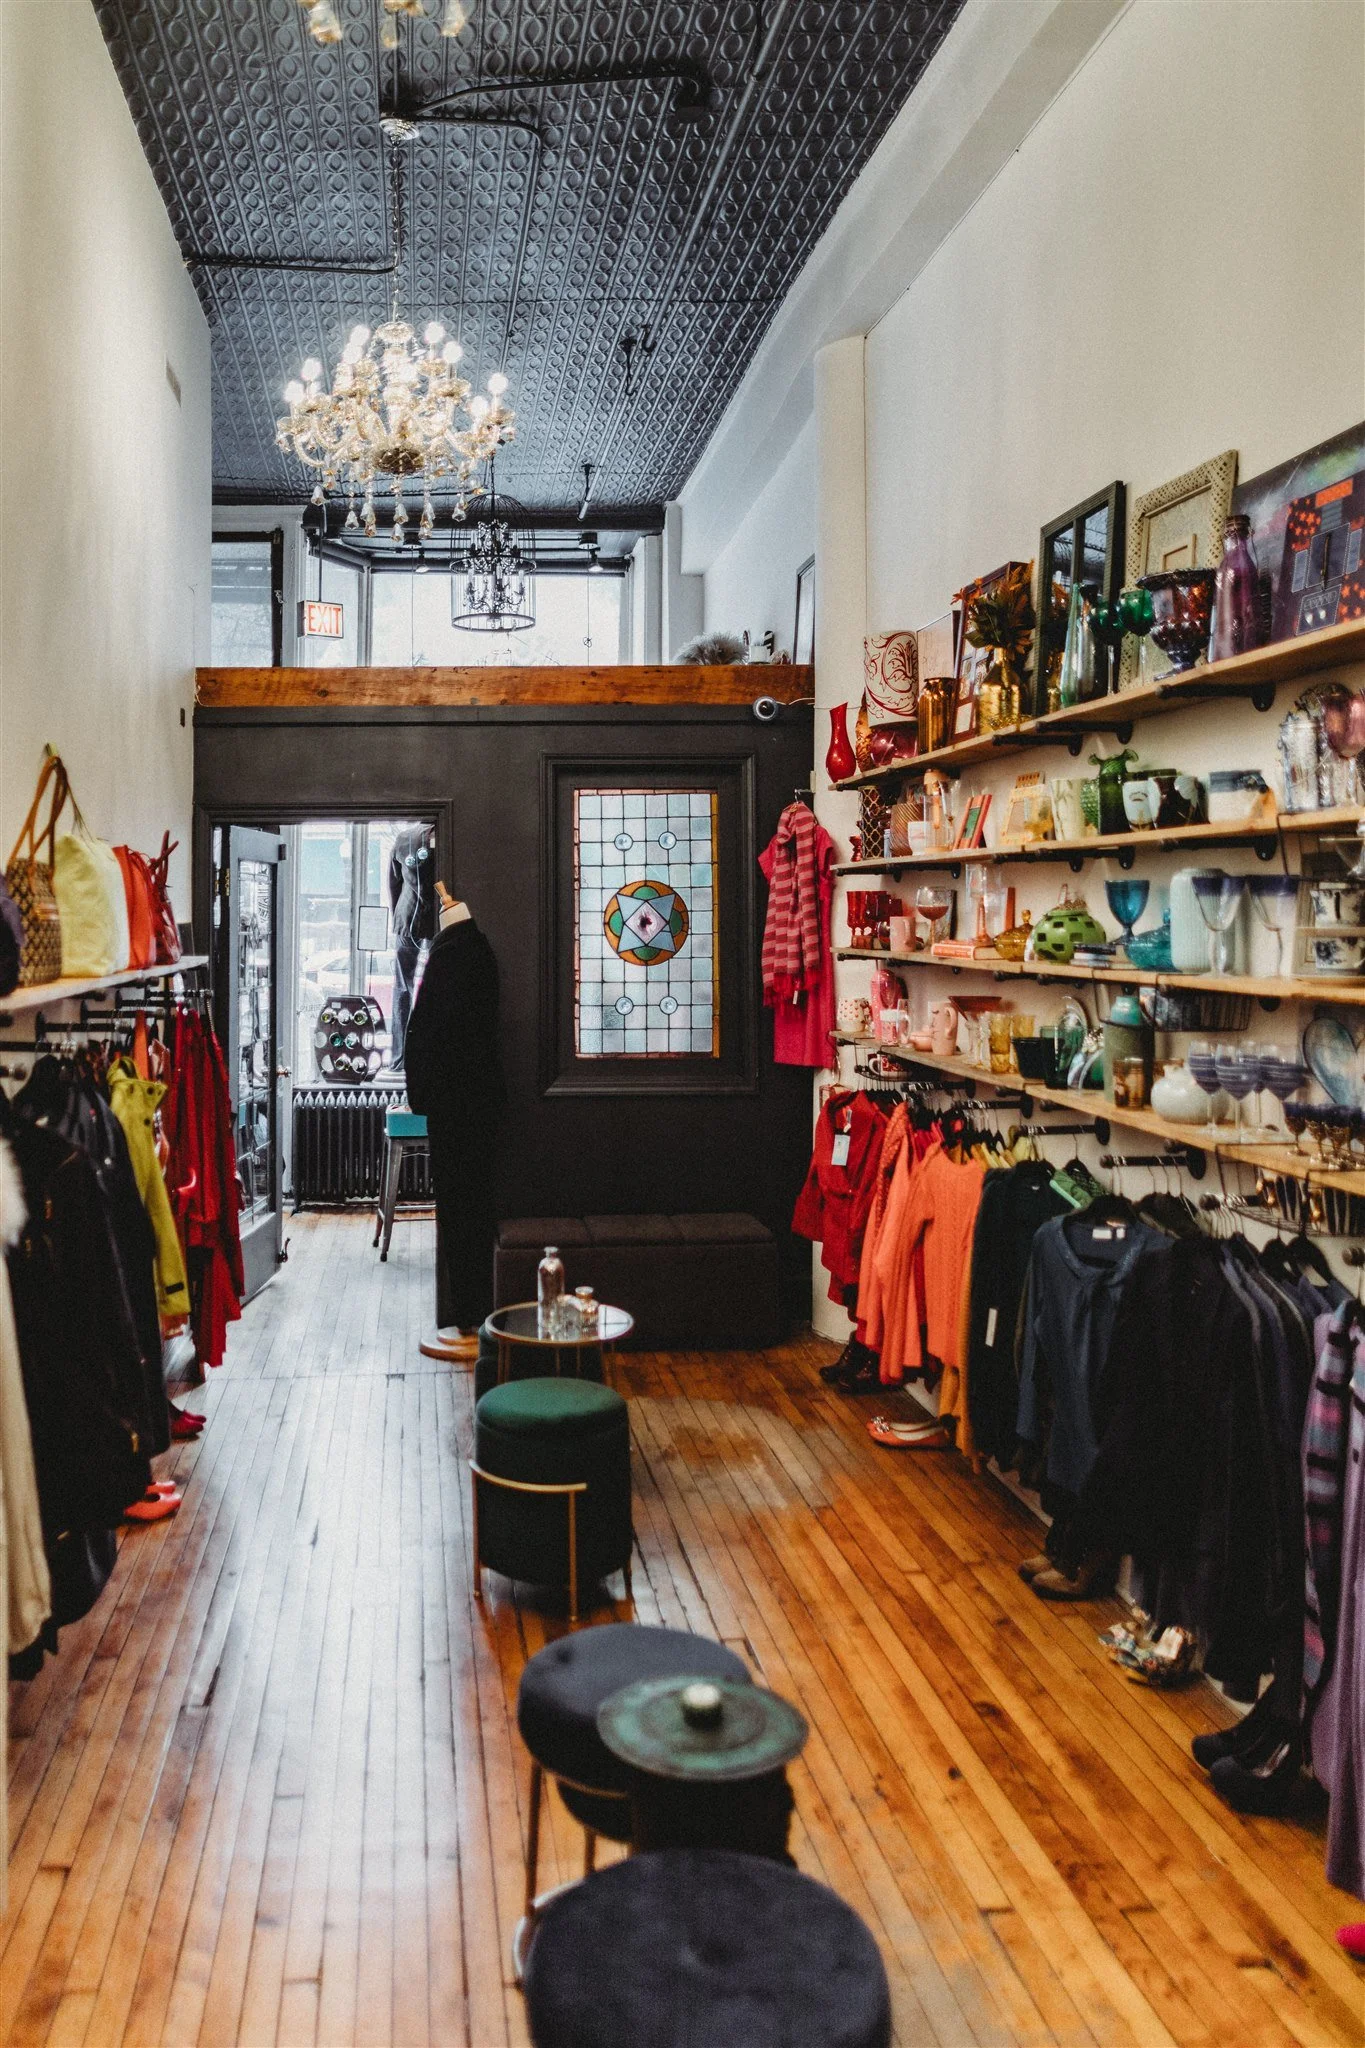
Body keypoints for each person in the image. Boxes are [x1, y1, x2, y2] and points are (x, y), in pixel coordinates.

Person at [403, 880, 506, 1350]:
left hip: (454, 1109)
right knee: (475, 1210)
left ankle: (468, 1317)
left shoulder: (450, 958)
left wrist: (422, 1097)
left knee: (458, 1210)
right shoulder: (480, 955)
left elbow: (422, 1036)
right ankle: (474, 1313)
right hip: (481, 1106)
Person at [387, 824, 437, 1069]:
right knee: (435, 988)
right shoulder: (448, 832)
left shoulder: (404, 838)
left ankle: (400, 1059)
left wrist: (398, 916)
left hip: (406, 917)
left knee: (402, 989)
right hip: (437, 919)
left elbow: (394, 883)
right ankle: (430, 1057)